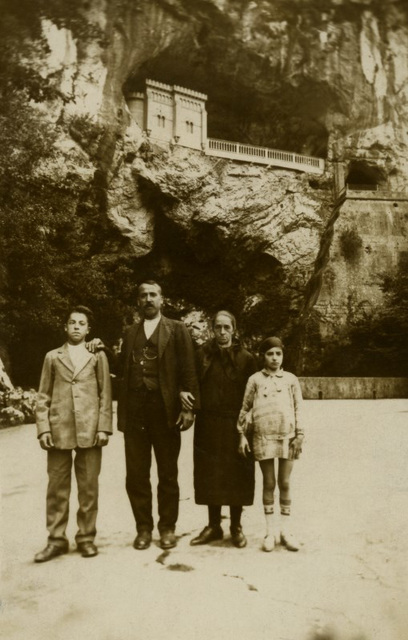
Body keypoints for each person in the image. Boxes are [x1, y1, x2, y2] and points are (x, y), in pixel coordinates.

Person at [116, 280, 200, 551]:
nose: (148, 299)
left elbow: (189, 369)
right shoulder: (130, 333)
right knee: (136, 474)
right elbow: (121, 370)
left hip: (166, 413)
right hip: (135, 413)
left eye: (153, 294)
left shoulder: (177, 329)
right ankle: (143, 529)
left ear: (162, 299)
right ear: (138, 301)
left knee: (167, 473)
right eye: (143, 295)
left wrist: (188, 408)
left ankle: (167, 528)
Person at [34, 306, 112, 562]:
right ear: (65, 327)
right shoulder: (52, 357)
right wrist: (44, 428)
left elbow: (105, 395)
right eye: (72, 323)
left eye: (82, 323)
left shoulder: (97, 356)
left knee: (89, 488)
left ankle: (86, 537)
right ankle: (56, 539)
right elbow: (43, 396)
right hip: (59, 430)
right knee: (57, 488)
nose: (76, 327)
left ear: (89, 330)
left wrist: (103, 427)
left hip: (90, 431)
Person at [188, 310, 257, 548]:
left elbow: (253, 396)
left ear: (234, 330)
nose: (223, 332)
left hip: (235, 424)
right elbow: (192, 384)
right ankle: (213, 525)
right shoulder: (201, 355)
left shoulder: (246, 358)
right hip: (208, 422)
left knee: (237, 473)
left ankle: (236, 526)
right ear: (212, 329)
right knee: (210, 472)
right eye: (218, 327)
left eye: (227, 327)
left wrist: (246, 427)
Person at [237, 337, 304, 552]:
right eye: (270, 354)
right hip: (263, 437)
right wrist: (241, 434)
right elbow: (245, 408)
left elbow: (298, 408)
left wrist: (300, 434)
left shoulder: (291, 379)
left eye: (278, 354)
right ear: (263, 356)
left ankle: (285, 530)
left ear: (283, 356)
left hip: (288, 437)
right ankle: (270, 532)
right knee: (269, 483)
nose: (274, 358)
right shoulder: (255, 380)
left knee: (284, 483)